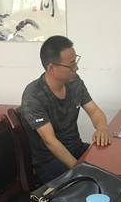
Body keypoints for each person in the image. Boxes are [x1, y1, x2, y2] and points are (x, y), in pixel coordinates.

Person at [20, 35, 111, 184]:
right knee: (93, 183)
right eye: (71, 64)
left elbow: (94, 111)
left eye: (76, 61)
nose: (76, 68)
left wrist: (102, 128)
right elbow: (50, 141)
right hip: (50, 161)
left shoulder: (75, 82)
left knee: (112, 164)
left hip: (76, 148)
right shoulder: (33, 95)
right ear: (51, 68)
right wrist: (80, 168)